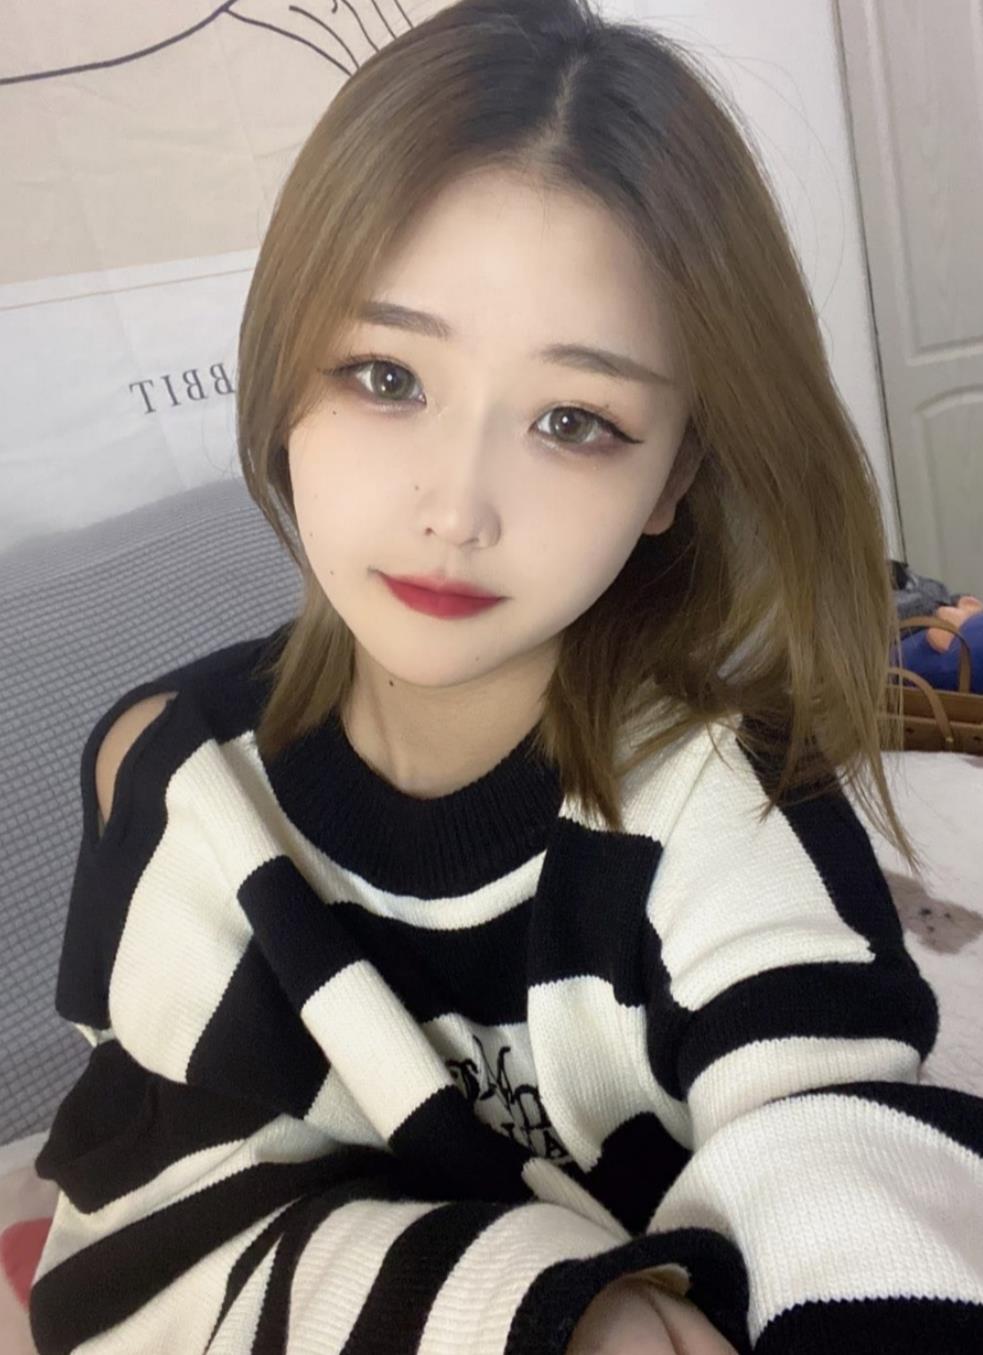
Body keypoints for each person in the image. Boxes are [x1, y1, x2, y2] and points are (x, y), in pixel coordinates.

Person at [28, 1, 983, 1352]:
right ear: (284, 367)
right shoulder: (176, 782)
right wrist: (566, 1320)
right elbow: (144, 1243)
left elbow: (841, 1147)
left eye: (573, 420)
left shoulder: (733, 797)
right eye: (385, 375)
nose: (456, 509)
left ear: (675, 477)